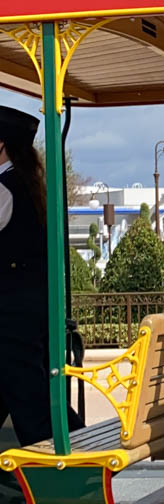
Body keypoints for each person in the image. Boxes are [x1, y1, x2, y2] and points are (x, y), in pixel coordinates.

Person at [0, 106, 83, 448]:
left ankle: (76, 461)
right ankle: (82, 449)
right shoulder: (30, 187)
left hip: (9, 317)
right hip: (32, 310)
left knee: (32, 405)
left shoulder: (4, 188)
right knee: (33, 393)